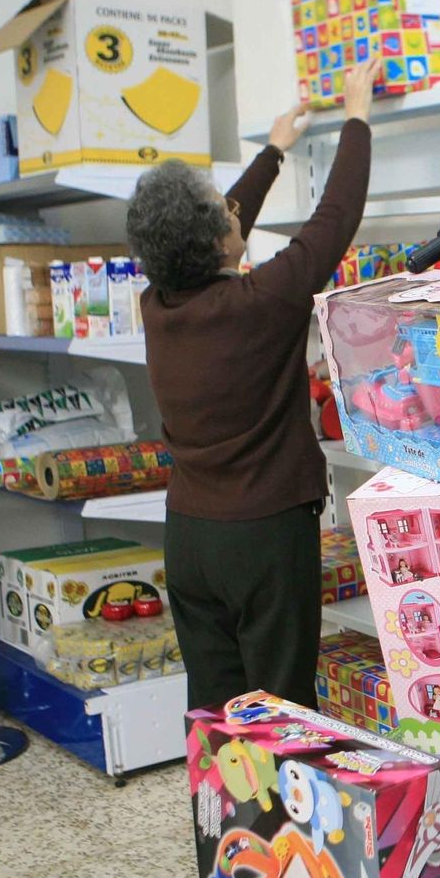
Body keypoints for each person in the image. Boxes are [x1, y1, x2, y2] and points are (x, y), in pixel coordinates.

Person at [127, 58, 384, 709]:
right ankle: (283, 815)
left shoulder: (157, 305)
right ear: (221, 239)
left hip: (190, 535)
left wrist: (274, 151)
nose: (233, 212)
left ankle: (220, 814)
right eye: (224, 213)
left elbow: (209, 225)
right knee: (282, 704)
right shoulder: (260, 303)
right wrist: (357, 116)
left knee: (215, 705)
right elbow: (336, 218)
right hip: (263, 536)